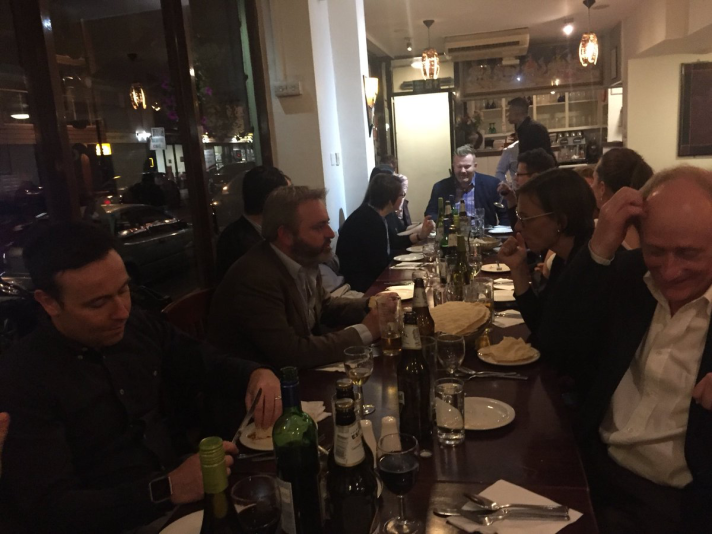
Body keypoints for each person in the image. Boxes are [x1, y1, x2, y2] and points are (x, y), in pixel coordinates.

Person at [0, 222, 281, 534]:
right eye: (98, 303)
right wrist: (166, 488)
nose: (121, 311)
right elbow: (52, 508)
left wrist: (256, 373)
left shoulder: (136, 325)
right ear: (49, 302)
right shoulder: (22, 378)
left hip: (183, 489)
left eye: (123, 290)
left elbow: (204, 361)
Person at [538, 166, 712, 534]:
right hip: (593, 467)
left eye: (688, 254)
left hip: (680, 505)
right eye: (655, 251)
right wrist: (600, 245)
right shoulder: (630, 275)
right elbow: (553, 344)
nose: (670, 271)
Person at [209, 186, 380, 369]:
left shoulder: (303, 259)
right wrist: (366, 331)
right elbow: (292, 354)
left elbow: (324, 307)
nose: (330, 233)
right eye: (319, 227)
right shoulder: (256, 278)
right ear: (286, 235)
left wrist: (371, 304)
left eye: (327, 223)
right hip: (263, 382)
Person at [497, 168, 596, 341]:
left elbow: (551, 341)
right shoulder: (562, 259)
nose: (518, 226)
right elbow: (540, 323)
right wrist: (518, 269)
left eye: (525, 218)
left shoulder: (589, 269)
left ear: (560, 221)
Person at [340, 174, 431, 292]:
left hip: (369, 278)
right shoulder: (369, 221)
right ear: (389, 200)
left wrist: (420, 236)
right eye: (402, 195)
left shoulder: (376, 214)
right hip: (363, 285)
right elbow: (379, 264)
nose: (403, 198)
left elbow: (393, 243)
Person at [215, 165, 289, 281]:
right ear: (272, 199)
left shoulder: (269, 231)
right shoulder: (237, 242)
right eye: (286, 196)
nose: (290, 203)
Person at [424, 145, 509, 227]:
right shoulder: (440, 187)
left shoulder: (492, 184)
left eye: (467, 166)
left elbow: (505, 216)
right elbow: (430, 214)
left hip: (484, 235)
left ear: (475, 166)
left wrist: (499, 234)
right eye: (459, 166)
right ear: (453, 167)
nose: (463, 171)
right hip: (452, 234)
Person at [592, 147, 654, 250]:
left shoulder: (597, 229)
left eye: (594, 179)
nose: (591, 186)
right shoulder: (651, 225)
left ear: (602, 188)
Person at [497, 148, 557, 230]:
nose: (515, 178)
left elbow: (521, 231)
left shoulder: (542, 203)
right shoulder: (531, 197)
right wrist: (511, 199)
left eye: (519, 174)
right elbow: (517, 228)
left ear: (534, 176)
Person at [507, 97, 555, 161]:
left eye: (509, 111)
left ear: (518, 112)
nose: (507, 114)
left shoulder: (534, 129)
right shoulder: (524, 128)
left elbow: (539, 157)